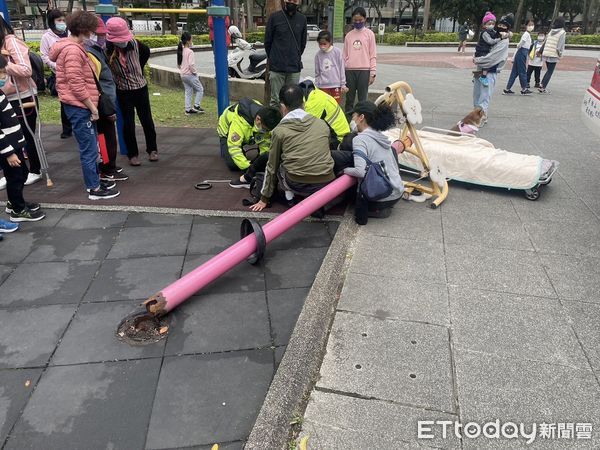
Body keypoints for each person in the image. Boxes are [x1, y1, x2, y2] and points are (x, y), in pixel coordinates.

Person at [50, 10, 120, 200]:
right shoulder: (72, 50)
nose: (93, 34)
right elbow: (76, 83)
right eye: (91, 30)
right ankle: (94, 189)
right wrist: (92, 107)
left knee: (92, 146)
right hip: (79, 106)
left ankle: (95, 180)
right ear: (83, 29)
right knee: (89, 149)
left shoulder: (71, 47)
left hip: (78, 105)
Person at [249, 84, 335, 212]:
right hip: (325, 180)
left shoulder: (279, 131)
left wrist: (264, 198)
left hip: (297, 183)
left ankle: (290, 197)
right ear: (303, 103)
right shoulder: (321, 123)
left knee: (279, 163)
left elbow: (272, 167)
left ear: (283, 107)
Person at [105, 17, 158, 166]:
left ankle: (152, 149)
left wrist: (138, 70)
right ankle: (132, 154)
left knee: (147, 120)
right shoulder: (108, 51)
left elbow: (145, 54)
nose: (123, 42)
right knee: (128, 123)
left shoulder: (137, 46)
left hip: (140, 88)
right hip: (123, 91)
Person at [0, 56, 45, 223]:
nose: (4, 77)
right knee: (15, 176)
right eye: (2, 73)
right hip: (8, 148)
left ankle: (14, 202)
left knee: (22, 173)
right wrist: (9, 152)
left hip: (15, 143)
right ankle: (18, 211)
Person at [343, 101, 403, 225]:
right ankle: (382, 207)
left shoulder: (360, 139)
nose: (352, 119)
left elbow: (360, 171)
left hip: (383, 197)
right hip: (397, 192)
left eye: (354, 115)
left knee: (352, 199)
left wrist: (345, 170)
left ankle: (376, 209)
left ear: (361, 117)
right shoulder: (379, 135)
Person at [0, 16, 43, 187]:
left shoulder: (11, 42)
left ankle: (35, 169)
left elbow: (26, 69)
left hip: (22, 97)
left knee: (26, 135)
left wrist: (4, 64)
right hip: (4, 97)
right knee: (7, 138)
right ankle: (13, 171)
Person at [85, 16, 128, 182]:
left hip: (104, 102)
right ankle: (106, 169)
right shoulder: (90, 54)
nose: (103, 38)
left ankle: (109, 165)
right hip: (101, 104)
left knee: (107, 136)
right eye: (100, 35)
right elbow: (96, 84)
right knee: (104, 137)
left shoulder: (97, 51)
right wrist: (106, 108)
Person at [218, 98, 282, 174]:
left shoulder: (266, 116)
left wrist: (265, 160)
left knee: (262, 160)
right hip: (226, 133)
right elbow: (234, 148)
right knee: (233, 165)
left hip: (250, 130)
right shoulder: (239, 124)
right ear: (258, 119)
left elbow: (265, 142)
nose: (266, 132)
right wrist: (248, 169)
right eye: (265, 129)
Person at [472, 14, 513, 125]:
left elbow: (492, 58)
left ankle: (479, 118)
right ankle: (479, 115)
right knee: (477, 95)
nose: (500, 27)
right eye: (499, 24)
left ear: (508, 28)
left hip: (490, 72)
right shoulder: (493, 35)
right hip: (480, 70)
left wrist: (478, 60)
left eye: (504, 26)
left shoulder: (503, 41)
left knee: (484, 97)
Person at [264, 0, 307, 107]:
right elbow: (267, 42)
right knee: (275, 100)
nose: (291, 2)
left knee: (292, 101)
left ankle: (289, 123)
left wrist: (295, 56)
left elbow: (303, 43)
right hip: (277, 68)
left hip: (294, 68)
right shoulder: (274, 18)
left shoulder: (302, 19)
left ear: (299, 2)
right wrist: (274, 58)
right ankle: (275, 123)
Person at [40, 8, 72, 139]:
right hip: (59, 73)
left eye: (63, 20)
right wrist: (56, 66)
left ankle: (78, 125)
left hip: (72, 71)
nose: (62, 22)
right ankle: (67, 129)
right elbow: (44, 56)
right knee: (65, 101)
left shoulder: (69, 33)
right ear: (52, 22)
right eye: (59, 20)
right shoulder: (46, 37)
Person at [343, 7, 376, 116]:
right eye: (355, 20)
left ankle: (363, 123)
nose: (357, 22)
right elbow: (344, 55)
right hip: (349, 71)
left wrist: (372, 73)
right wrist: (342, 73)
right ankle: (347, 123)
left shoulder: (370, 34)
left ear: (365, 19)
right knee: (349, 99)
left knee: (363, 100)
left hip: (364, 71)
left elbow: (373, 55)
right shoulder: (348, 35)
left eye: (360, 20)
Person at [299, 79, 350, 147]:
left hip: (338, 140)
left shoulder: (313, 103)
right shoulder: (316, 94)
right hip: (340, 136)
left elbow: (306, 130)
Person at [474, 12, 508, 87]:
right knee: (486, 63)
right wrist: (500, 38)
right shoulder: (485, 33)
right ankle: (483, 77)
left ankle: (477, 76)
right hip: (482, 50)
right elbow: (491, 41)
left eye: (493, 23)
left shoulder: (492, 31)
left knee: (483, 64)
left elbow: (497, 34)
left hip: (486, 50)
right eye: (489, 24)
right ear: (484, 25)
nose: (491, 25)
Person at [314, 30, 347, 104]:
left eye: (324, 44)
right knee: (324, 104)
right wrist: (317, 84)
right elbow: (317, 72)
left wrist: (343, 84)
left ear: (330, 42)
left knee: (335, 104)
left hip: (335, 85)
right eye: (320, 44)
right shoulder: (318, 55)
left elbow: (341, 68)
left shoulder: (337, 52)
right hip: (323, 85)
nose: (322, 46)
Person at [503, 20, 534, 95]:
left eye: (532, 25)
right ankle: (524, 88)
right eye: (529, 25)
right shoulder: (526, 34)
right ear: (526, 26)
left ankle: (508, 88)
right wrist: (519, 46)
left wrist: (514, 56)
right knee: (522, 71)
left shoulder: (527, 34)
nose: (531, 26)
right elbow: (521, 43)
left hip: (521, 53)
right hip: (522, 52)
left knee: (514, 72)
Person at [177, 32, 204, 115]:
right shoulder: (190, 52)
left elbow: (179, 64)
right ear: (188, 41)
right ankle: (196, 106)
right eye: (191, 39)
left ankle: (188, 110)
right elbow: (191, 65)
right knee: (200, 90)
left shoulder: (181, 51)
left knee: (188, 92)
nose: (192, 41)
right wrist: (195, 73)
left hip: (183, 75)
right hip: (190, 75)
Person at [539, 16, 566, 94]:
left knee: (548, 70)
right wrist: (560, 55)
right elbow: (559, 46)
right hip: (553, 54)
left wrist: (541, 51)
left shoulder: (551, 31)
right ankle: (542, 87)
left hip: (546, 53)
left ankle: (542, 85)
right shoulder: (562, 32)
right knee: (550, 71)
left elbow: (545, 42)